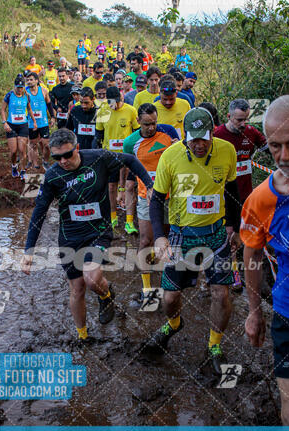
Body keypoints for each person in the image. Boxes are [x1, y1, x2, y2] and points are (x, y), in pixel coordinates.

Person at [21, 128, 153, 344]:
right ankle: (83, 336)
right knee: (77, 288)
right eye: (57, 157)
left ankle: (106, 295)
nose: (63, 161)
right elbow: (39, 213)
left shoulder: (98, 158)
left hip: (97, 232)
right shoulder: (53, 176)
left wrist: (149, 185)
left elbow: (130, 159)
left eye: (68, 154)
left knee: (91, 279)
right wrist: (29, 250)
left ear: (77, 148)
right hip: (70, 237)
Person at [146, 108, 242, 374]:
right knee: (169, 297)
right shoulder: (170, 156)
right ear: (184, 137)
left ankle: (214, 345)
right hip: (180, 234)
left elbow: (232, 191)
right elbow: (156, 200)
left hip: (216, 234)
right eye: (193, 139)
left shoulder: (227, 151)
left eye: (204, 138)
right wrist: (160, 236)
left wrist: (236, 226)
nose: (199, 145)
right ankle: (174, 324)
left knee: (221, 293)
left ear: (213, 133)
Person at [240, 95, 289, 427]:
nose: (284, 156)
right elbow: (251, 255)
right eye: (275, 146)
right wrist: (252, 312)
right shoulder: (261, 200)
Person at [123, 103, 179, 307]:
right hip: (146, 196)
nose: (151, 128)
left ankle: (167, 285)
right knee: (146, 240)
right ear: (138, 121)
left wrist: (177, 145)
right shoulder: (130, 142)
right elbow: (130, 169)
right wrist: (125, 190)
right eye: (146, 124)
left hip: (171, 197)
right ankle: (147, 289)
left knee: (165, 240)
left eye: (154, 123)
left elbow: (181, 157)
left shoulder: (168, 132)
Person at [215, 99, 268, 290]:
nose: (243, 124)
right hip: (226, 195)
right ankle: (233, 272)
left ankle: (253, 275)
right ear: (229, 117)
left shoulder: (251, 132)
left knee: (251, 233)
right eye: (238, 120)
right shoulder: (218, 135)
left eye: (245, 119)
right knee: (230, 234)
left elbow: (268, 147)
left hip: (247, 194)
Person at [94, 86, 140, 230]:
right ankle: (113, 217)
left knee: (129, 186)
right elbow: (99, 135)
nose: (116, 106)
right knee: (111, 186)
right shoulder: (102, 111)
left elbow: (137, 132)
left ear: (121, 99)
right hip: (110, 156)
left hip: (127, 155)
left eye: (118, 102)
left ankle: (129, 221)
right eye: (112, 103)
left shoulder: (131, 110)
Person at [1, 75, 37, 181]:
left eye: (21, 87)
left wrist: (34, 121)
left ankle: (23, 171)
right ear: (14, 86)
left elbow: (29, 109)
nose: (20, 89)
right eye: (18, 87)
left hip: (23, 125)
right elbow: (2, 110)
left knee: (22, 150)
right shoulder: (9, 95)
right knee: (13, 151)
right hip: (11, 125)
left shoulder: (27, 96)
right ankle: (13, 166)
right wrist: (4, 123)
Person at [26, 72, 55, 171]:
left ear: (37, 80)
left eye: (31, 79)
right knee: (33, 144)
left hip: (43, 122)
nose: (29, 82)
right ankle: (35, 164)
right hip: (31, 123)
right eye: (28, 80)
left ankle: (45, 161)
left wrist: (53, 117)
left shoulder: (43, 91)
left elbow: (49, 104)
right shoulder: (25, 93)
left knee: (46, 144)